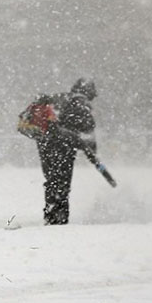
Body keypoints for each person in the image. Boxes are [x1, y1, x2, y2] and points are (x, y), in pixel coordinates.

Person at [34, 78, 98, 225]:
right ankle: (58, 217)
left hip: (45, 146)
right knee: (62, 182)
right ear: (87, 92)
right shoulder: (79, 104)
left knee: (51, 180)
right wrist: (89, 148)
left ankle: (51, 213)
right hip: (63, 149)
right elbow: (87, 126)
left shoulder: (60, 99)